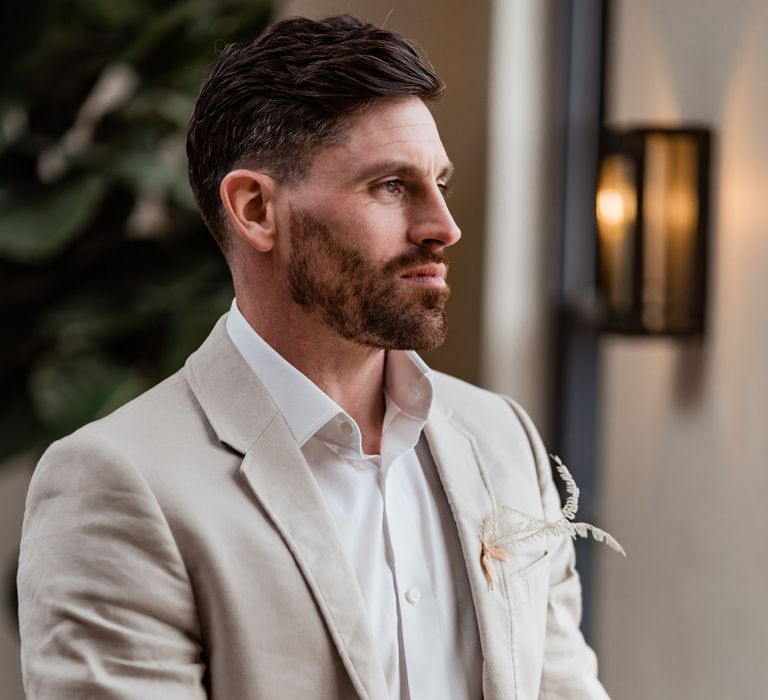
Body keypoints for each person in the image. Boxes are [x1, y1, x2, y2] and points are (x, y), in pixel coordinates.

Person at [17, 14, 611, 700]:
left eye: (438, 183)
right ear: (255, 209)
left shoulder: (502, 436)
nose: (442, 227)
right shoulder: (117, 483)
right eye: (391, 185)